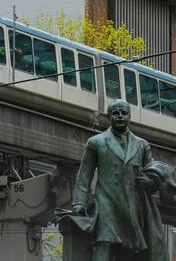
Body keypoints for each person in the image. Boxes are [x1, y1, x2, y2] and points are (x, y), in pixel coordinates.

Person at [72, 99, 169, 261]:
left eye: (124, 113)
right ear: (109, 117)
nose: (120, 116)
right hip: (107, 202)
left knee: (129, 249)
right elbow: (84, 176)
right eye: (115, 113)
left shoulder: (142, 145)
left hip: (133, 204)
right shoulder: (96, 142)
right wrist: (79, 203)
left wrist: (150, 183)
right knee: (105, 242)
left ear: (130, 116)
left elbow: (152, 177)